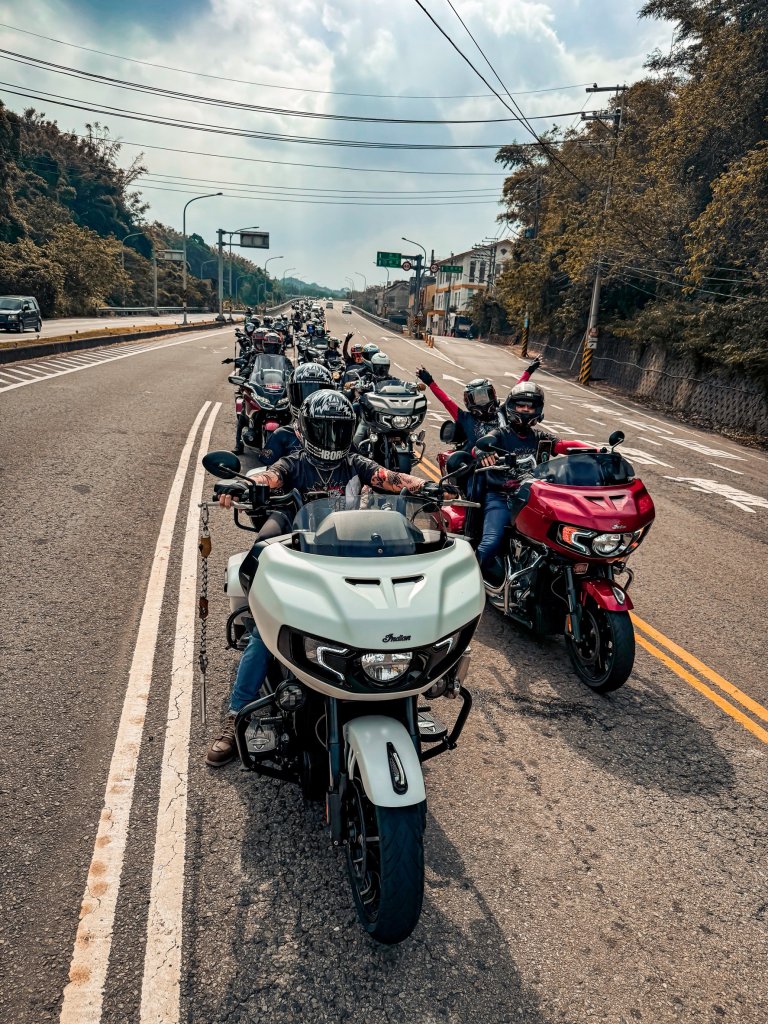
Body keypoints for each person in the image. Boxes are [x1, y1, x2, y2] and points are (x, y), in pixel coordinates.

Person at [205, 390, 436, 765]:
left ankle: (394, 685)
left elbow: (388, 477)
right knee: (266, 632)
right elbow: (272, 476)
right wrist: (248, 484)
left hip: (346, 548)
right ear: (306, 428)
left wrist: (423, 486)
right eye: (323, 430)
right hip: (299, 541)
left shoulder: (355, 463)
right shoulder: (294, 462)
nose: (331, 439)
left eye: (338, 430)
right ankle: (236, 716)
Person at [473, 381, 591, 577]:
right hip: (503, 497)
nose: (526, 410)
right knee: (490, 544)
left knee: (558, 541)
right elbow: (479, 447)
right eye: (521, 405)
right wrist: (482, 453)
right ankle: (472, 582)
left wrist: (597, 450)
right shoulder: (501, 434)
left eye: (531, 406)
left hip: (533, 499)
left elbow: (564, 445)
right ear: (512, 407)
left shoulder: (539, 437)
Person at [416, 358, 541, 449]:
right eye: (477, 398)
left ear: (493, 395)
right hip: (476, 466)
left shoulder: (503, 412)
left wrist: (529, 371)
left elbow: (516, 391)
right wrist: (430, 382)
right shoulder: (465, 418)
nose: (483, 402)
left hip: (507, 463)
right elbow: (446, 401)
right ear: (469, 401)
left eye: (486, 396)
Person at [250, 362, 334, 466]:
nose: (309, 400)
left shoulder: (339, 434)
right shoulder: (282, 435)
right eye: (304, 393)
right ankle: (238, 444)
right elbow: (266, 471)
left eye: (317, 394)